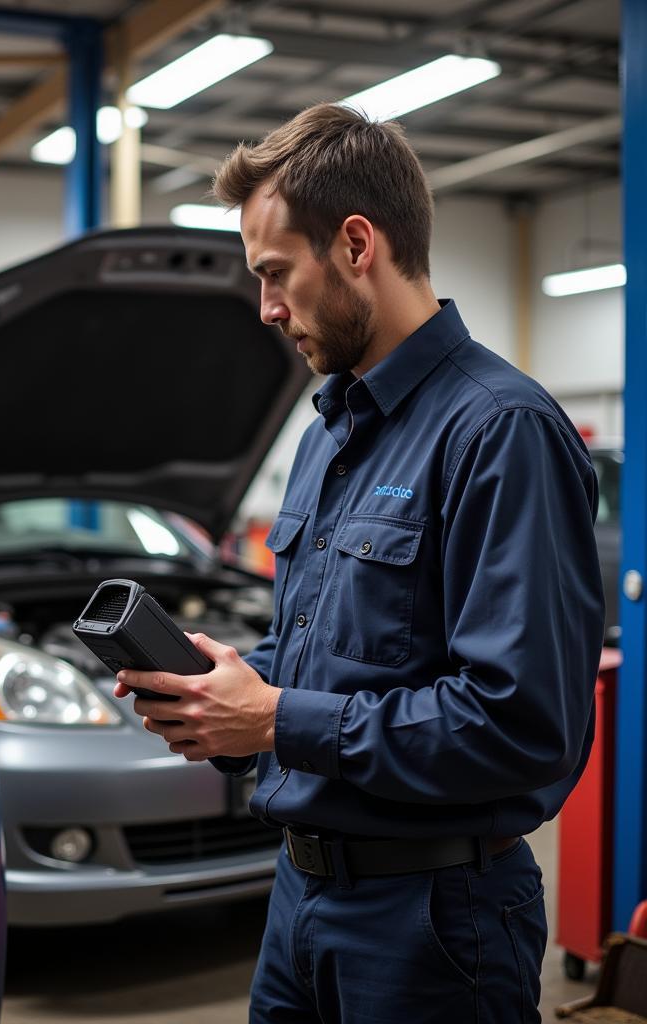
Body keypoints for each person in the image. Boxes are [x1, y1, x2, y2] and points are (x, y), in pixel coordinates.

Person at [114, 103, 605, 1023]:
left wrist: (275, 722)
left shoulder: (500, 431)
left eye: (274, 274)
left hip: (433, 925)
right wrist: (228, 684)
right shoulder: (330, 434)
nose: (265, 308)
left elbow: (520, 726)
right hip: (300, 901)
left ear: (354, 243)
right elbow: (339, 655)